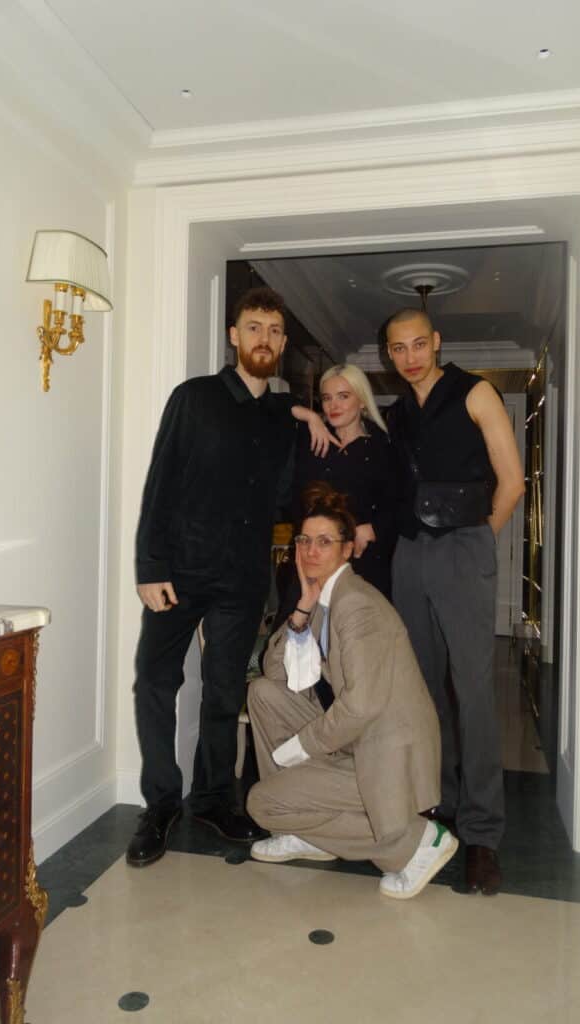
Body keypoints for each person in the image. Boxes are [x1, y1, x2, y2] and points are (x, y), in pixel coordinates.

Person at [127, 286, 336, 867]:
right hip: (180, 572)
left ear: (283, 342)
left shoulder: (280, 417)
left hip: (242, 579)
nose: (263, 339)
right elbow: (161, 481)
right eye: (253, 327)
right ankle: (161, 803)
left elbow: (287, 491)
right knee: (155, 682)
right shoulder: (193, 398)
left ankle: (213, 799)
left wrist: (306, 414)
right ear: (233, 335)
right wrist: (150, 566)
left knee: (223, 691)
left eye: (273, 330)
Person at [246, 483, 457, 900]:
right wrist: (302, 610)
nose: (310, 551)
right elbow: (275, 672)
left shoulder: (356, 605)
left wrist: (301, 747)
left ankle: (415, 840)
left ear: (347, 550)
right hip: (358, 741)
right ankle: (303, 833)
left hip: (387, 753)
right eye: (304, 540)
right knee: (264, 694)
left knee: (262, 804)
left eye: (324, 542)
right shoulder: (323, 600)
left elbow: (361, 706)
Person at [382, 307, 525, 896]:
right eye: (398, 348)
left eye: (419, 344)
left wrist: (477, 541)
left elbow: (512, 482)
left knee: (473, 690)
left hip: (464, 546)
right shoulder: (396, 415)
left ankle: (483, 833)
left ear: (437, 342)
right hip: (409, 554)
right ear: (389, 354)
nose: (410, 357)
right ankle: (436, 804)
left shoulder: (476, 392)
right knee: (423, 688)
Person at [292, 363, 396, 598]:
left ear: (362, 401)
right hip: (313, 559)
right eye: (327, 398)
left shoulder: (383, 447)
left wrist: (374, 528)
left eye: (343, 396)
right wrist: (310, 416)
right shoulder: (309, 440)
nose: (333, 405)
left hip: (364, 562)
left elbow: (400, 502)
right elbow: (272, 408)